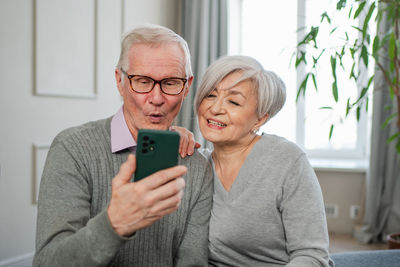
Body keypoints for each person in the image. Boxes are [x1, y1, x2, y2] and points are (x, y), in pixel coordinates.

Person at [33, 24, 213, 267]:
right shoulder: (72, 149)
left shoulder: (198, 167)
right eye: (142, 81)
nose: (157, 98)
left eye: (170, 83)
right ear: (119, 81)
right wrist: (114, 223)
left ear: (187, 86)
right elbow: (48, 262)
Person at [194, 55, 333, 266]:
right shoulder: (196, 165)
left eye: (233, 101)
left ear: (260, 119)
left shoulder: (287, 161)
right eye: (210, 95)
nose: (215, 108)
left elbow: (312, 255)